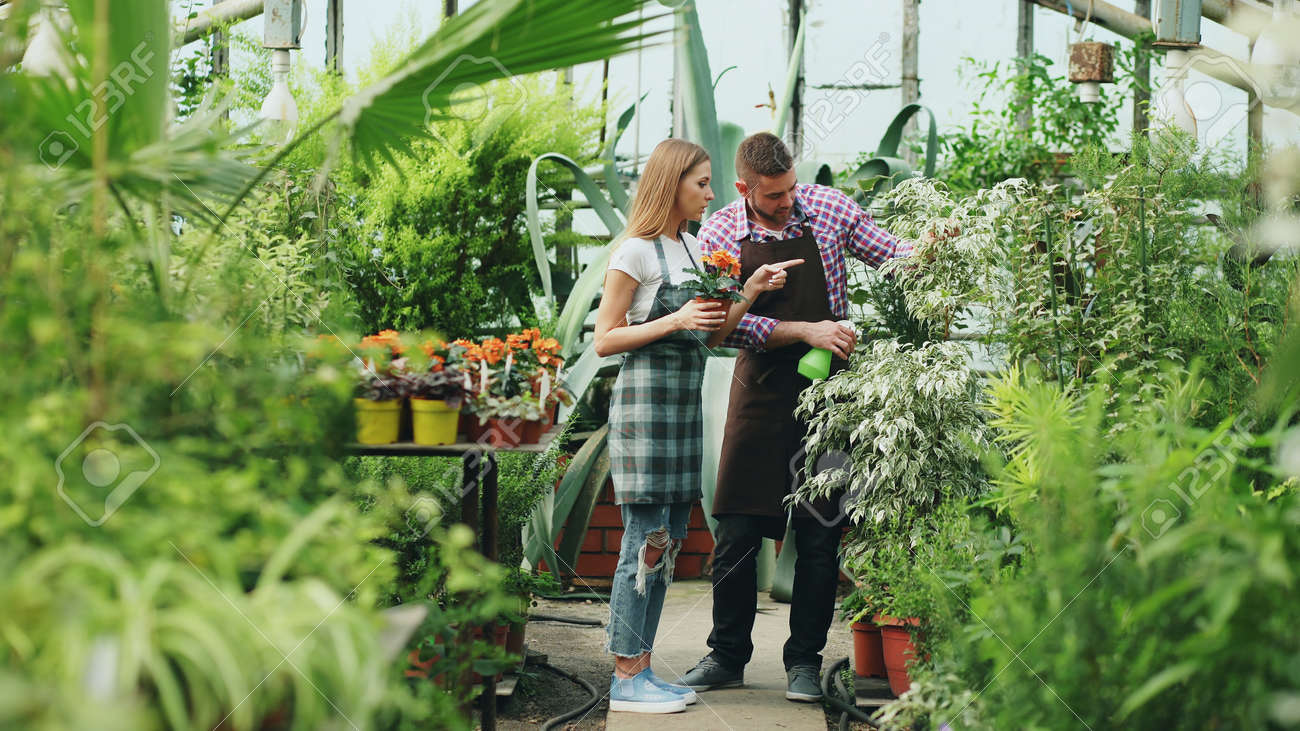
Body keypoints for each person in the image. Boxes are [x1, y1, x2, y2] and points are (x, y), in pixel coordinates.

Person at [679, 132, 912, 702]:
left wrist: (932, 248)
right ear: (744, 188)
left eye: (790, 191)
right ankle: (726, 655)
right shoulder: (720, 233)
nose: (787, 202)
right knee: (736, 531)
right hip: (758, 389)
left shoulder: (829, 209)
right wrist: (804, 329)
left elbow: (894, 254)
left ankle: (804, 662)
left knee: (819, 533)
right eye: (774, 196)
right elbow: (719, 325)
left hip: (830, 392)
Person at [593, 138, 803, 714]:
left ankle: (641, 668)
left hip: (682, 410)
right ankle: (625, 677)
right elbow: (605, 339)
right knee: (644, 541)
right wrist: (674, 319)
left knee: (667, 541)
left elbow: (711, 336)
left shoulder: (691, 247)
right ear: (672, 185)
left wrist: (751, 291)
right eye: (702, 183)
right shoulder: (634, 252)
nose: (711, 195)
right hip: (644, 410)